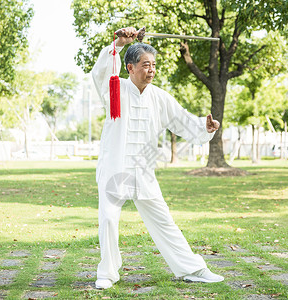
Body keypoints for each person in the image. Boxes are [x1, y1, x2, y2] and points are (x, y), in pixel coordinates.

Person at [91, 27, 223, 289]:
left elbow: (183, 120)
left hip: (143, 171)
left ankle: (192, 268)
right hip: (115, 169)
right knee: (108, 219)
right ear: (129, 67)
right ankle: (107, 273)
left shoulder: (161, 98)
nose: (151, 70)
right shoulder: (114, 90)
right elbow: (100, 73)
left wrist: (204, 127)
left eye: (153, 65)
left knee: (164, 221)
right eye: (145, 65)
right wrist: (118, 44)